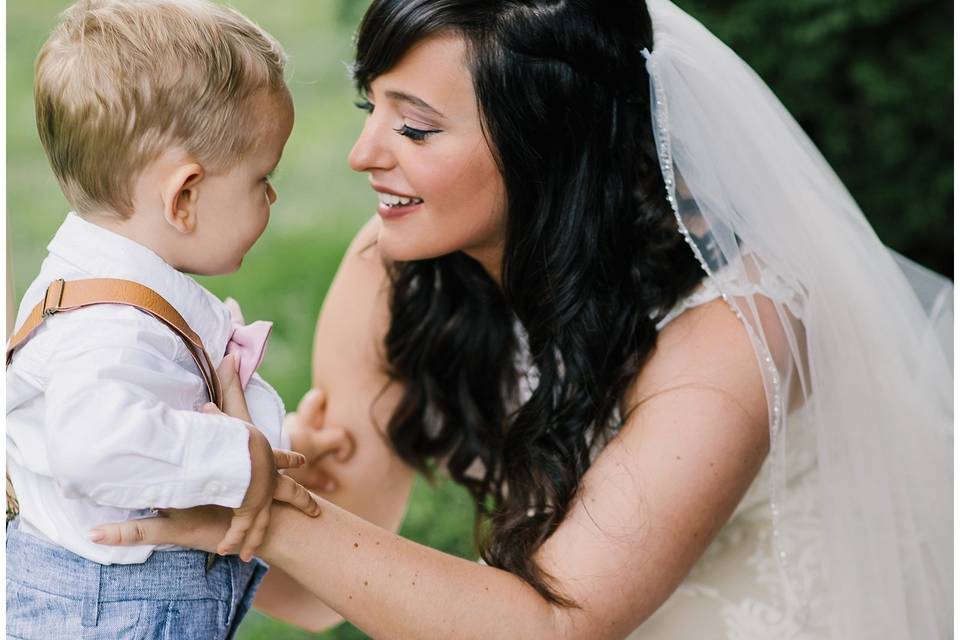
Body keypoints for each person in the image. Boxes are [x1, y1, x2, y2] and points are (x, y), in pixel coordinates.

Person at [91, 0, 954, 638]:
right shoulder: (395, 269)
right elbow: (320, 592)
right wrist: (172, 466)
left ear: (551, 145)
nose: (363, 155)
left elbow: (553, 628)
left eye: (417, 128)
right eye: (373, 109)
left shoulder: (737, 327)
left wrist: (273, 510)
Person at [5, 1, 322, 638]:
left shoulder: (97, 285)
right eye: (263, 176)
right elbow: (91, 442)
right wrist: (240, 459)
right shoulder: (112, 326)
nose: (273, 195)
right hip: (113, 613)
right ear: (183, 197)